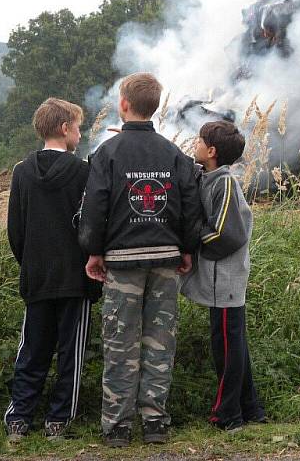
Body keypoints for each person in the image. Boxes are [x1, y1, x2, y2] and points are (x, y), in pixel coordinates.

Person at [79, 72, 203, 448]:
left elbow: (95, 205)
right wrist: (187, 248)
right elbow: (191, 204)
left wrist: (94, 250)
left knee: (120, 341)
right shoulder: (173, 153)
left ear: (124, 105)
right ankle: (155, 423)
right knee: (160, 340)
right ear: (156, 107)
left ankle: (117, 426)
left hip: (121, 262)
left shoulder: (107, 153)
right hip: (166, 260)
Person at [4, 98, 101, 442]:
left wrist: (29, 261)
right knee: (70, 354)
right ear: (64, 128)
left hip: (36, 275)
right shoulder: (84, 172)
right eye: (77, 126)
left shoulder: (21, 171)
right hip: (76, 277)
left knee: (31, 349)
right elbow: (91, 226)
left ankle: (19, 417)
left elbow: (15, 229)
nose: (80, 132)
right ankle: (58, 420)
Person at [181, 121, 266, 432]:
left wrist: (193, 235)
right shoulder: (209, 176)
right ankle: (251, 407)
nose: (196, 144)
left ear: (212, 151)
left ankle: (227, 414)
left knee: (227, 348)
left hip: (226, 281)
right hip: (221, 283)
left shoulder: (225, 183)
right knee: (234, 343)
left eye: (200, 141)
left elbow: (227, 234)